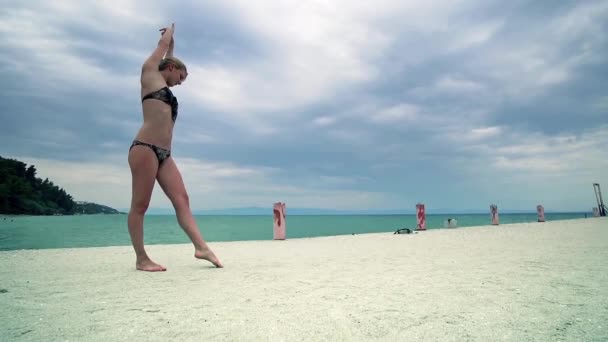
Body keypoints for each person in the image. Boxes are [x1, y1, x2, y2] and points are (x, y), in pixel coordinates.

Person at [127, 23, 223, 272]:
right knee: (140, 205)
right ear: (171, 69)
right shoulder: (149, 74)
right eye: (180, 77)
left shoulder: (164, 79)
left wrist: (173, 46)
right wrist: (168, 36)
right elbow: (161, 53)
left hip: (165, 155)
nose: (180, 83)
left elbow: (169, 58)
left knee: (182, 199)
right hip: (145, 148)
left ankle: (201, 247)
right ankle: (141, 259)